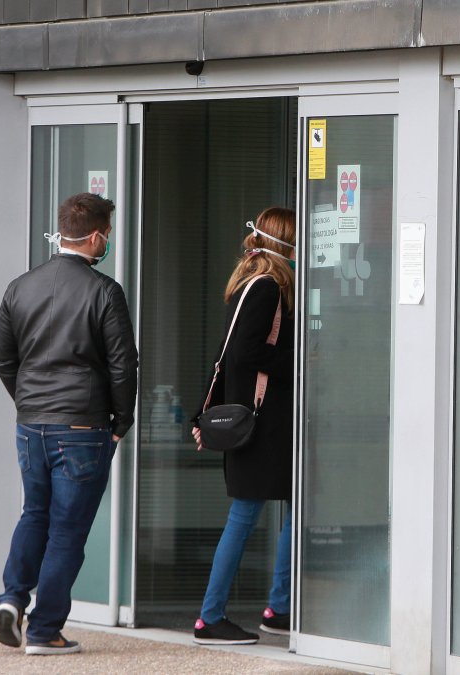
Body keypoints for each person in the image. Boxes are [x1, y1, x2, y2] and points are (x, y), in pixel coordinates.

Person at [0, 192, 138, 656]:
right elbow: (123, 365)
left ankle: (13, 599)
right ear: (95, 236)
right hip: (83, 427)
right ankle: (44, 631)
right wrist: (121, 420)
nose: (107, 241)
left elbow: (2, 358)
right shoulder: (104, 291)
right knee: (67, 530)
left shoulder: (20, 286)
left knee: (34, 513)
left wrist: (29, 400)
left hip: (31, 424)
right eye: (107, 234)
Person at [191, 207, 297, 645]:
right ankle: (210, 617)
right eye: (295, 240)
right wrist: (294, 363)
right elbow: (242, 353)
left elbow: (229, 351)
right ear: (282, 243)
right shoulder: (268, 287)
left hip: (261, 424)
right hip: (261, 425)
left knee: (296, 506)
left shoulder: (251, 283)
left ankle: (280, 607)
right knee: (246, 515)